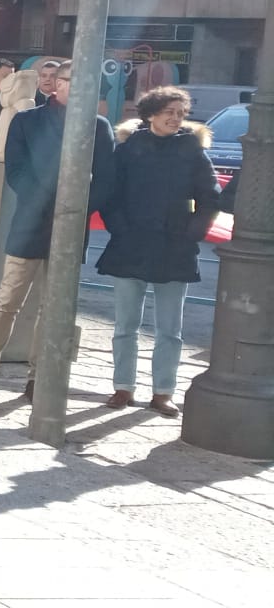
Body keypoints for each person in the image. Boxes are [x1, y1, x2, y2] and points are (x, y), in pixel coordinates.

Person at [0, 59, 115, 399]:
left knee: (54, 307)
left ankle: (39, 376)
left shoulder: (98, 126)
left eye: (83, 80)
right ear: (55, 85)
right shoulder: (27, 121)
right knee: (8, 301)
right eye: (69, 80)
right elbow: (16, 171)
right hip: (31, 221)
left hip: (72, 226)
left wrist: (79, 207)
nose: (76, 86)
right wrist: (45, 199)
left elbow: (107, 179)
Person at [97, 86, 221, 417]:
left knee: (170, 329)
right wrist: (120, 228)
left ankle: (163, 392)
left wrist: (191, 234)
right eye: (169, 111)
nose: (175, 118)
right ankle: (123, 387)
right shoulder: (128, 148)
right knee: (126, 325)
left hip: (174, 247)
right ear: (151, 113)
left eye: (181, 113)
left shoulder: (192, 150)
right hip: (130, 244)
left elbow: (210, 197)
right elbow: (110, 193)